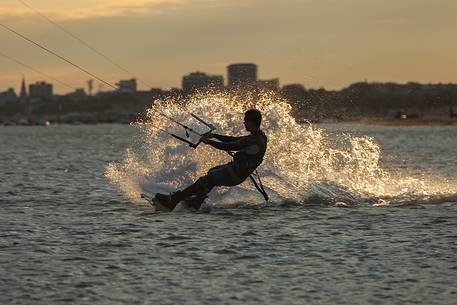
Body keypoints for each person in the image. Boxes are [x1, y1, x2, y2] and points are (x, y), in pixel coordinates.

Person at [155, 109, 268, 210]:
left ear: (251, 122)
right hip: (235, 171)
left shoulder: (254, 139)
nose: (244, 122)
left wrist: (209, 142)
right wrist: (214, 136)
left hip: (234, 174)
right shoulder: (259, 136)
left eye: (245, 120)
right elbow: (233, 139)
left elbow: (229, 146)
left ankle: (173, 200)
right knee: (212, 172)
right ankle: (195, 202)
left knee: (206, 179)